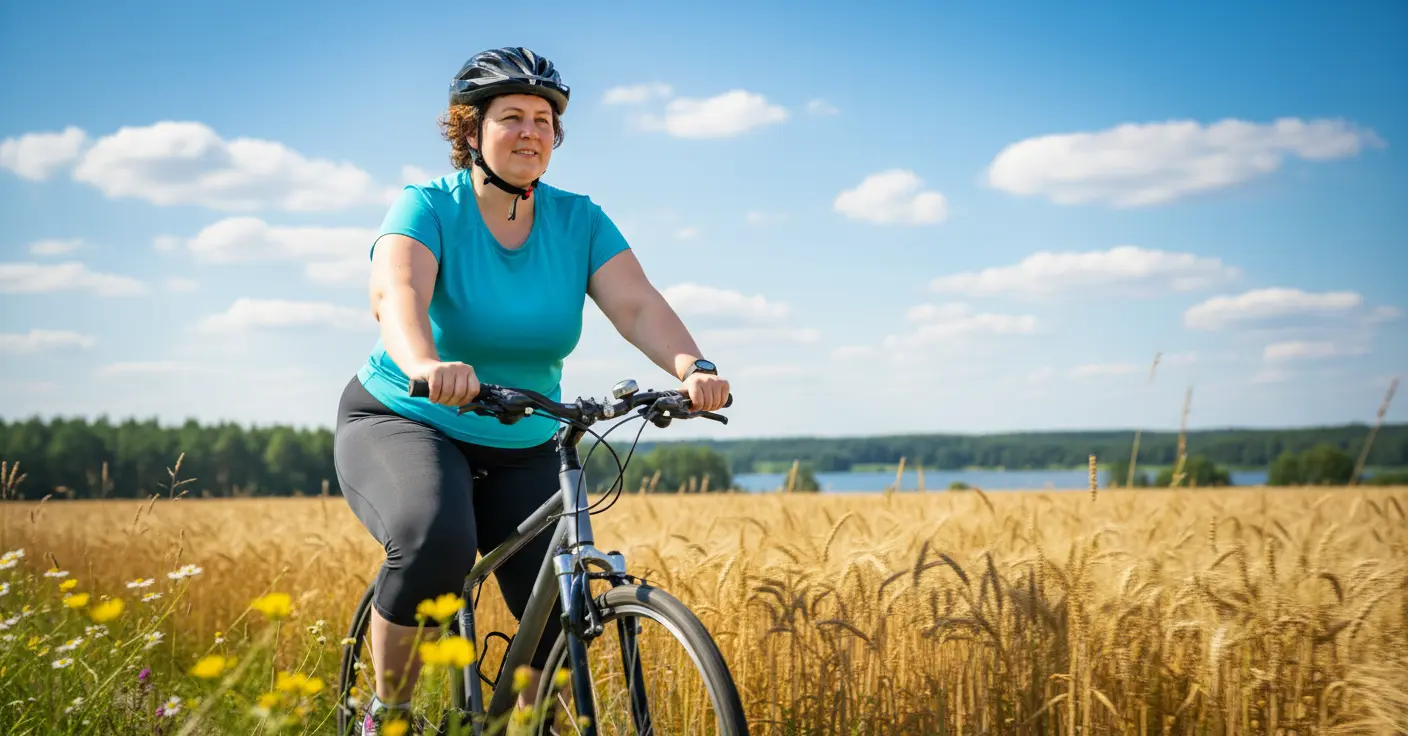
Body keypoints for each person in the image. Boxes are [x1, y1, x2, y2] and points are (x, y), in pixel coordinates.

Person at [332, 47, 731, 733]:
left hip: (523, 434)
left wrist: (692, 368)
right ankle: (385, 713)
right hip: (410, 416)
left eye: (543, 120)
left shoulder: (579, 220)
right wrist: (427, 363)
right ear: (471, 130)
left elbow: (636, 305)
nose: (530, 132)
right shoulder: (428, 205)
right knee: (435, 544)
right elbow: (396, 293)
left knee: (555, 603)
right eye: (511, 116)